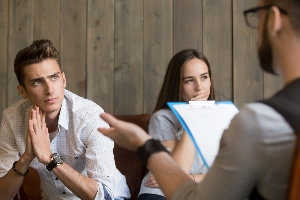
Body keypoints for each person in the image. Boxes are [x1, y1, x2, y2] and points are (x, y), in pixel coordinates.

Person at [98, 0, 300, 199]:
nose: (199, 86)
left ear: (273, 19)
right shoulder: (166, 118)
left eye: (258, 16)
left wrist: (144, 145)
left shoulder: (256, 121)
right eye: (189, 80)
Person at [0, 39, 130, 200]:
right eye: (37, 82)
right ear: (23, 91)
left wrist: (49, 158)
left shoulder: (89, 116)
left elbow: (104, 195)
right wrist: (25, 158)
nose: (49, 90)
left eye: (54, 77)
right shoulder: (13, 119)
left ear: (64, 80)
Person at [138, 49, 215, 200]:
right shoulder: (162, 118)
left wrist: (192, 179)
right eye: (189, 80)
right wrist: (192, 118)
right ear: (177, 85)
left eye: (204, 77)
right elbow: (176, 174)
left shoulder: (223, 116)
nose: (199, 87)